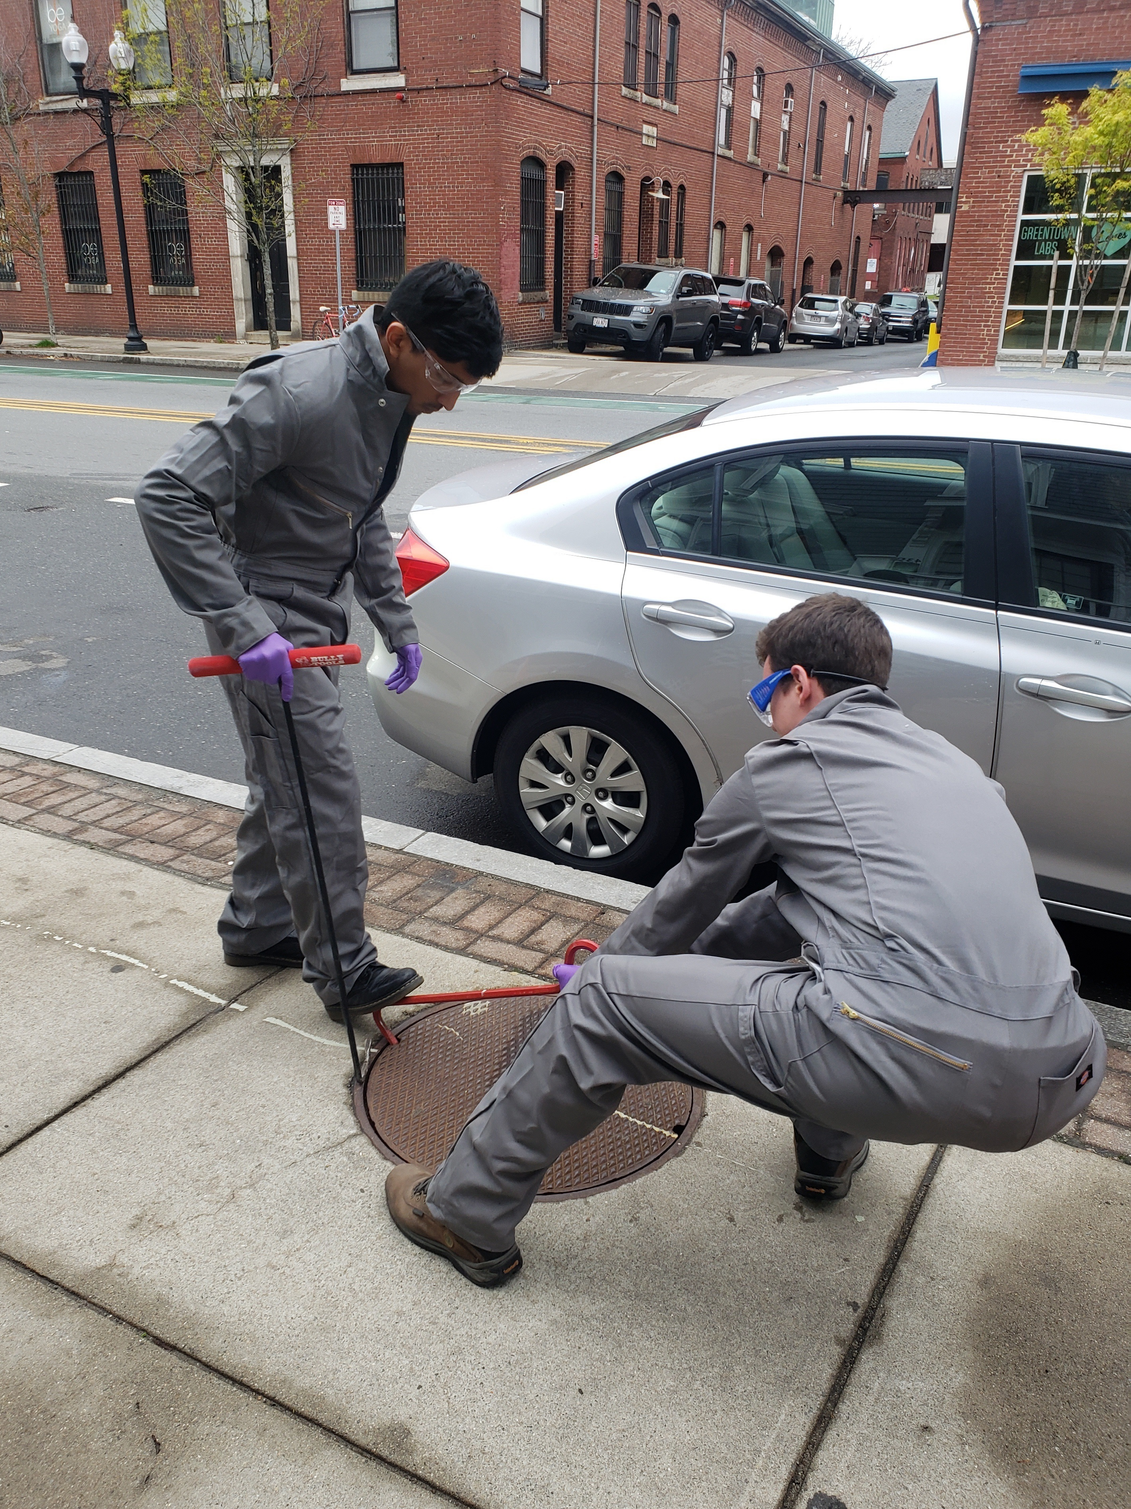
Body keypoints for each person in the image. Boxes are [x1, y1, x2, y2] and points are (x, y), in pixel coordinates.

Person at [385, 593, 1106, 1287]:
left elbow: (682, 900)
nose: (769, 724)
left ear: (799, 681)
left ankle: (464, 1214)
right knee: (822, 974)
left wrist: (608, 979)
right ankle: (828, 1162)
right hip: (1066, 1069)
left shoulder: (793, 766)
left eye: (767, 700)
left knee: (607, 1002)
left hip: (920, 1062)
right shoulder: (958, 773)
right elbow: (778, 916)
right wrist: (674, 979)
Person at [137, 259, 504, 1020]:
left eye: (463, 385)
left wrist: (394, 619)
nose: (447, 399)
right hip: (266, 614)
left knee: (286, 776)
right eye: (445, 378)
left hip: (313, 612)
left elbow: (359, 511)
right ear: (399, 340)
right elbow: (167, 494)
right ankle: (347, 970)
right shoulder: (298, 390)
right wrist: (243, 627)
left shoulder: (385, 395)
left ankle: (258, 926)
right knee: (320, 792)